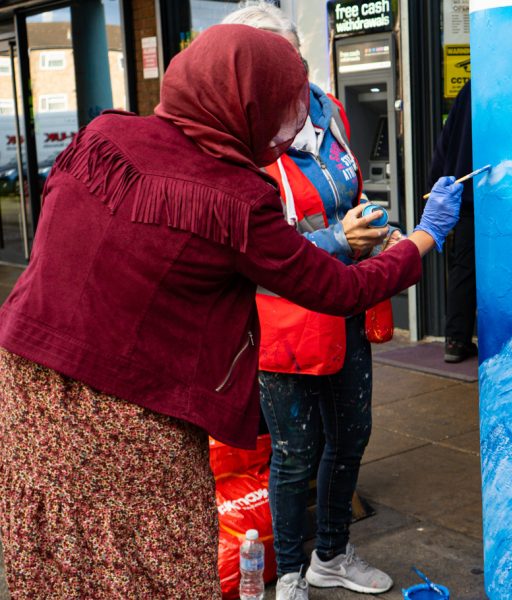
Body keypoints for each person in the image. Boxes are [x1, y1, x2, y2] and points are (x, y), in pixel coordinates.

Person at [0, 25, 461, 598]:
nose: (288, 125)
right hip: (129, 407)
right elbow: (336, 291)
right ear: (249, 105)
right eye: (281, 107)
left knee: (55, 546)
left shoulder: (104, 133)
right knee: (150, 559)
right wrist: (424, 237)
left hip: (27, 380)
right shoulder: (232, 198)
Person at [221, 4, 400, 598]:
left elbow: (349, 185)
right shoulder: (238, 140)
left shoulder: (328, 109)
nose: (291, 73)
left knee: (351, 435)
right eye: (274, 63)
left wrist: (375, 226)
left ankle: (332, 553)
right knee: (296, 452)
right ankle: (291, 572)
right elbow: (247, 251)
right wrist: (334, 240)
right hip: (284, 319)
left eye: (293, 58)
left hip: (343, 302)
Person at [429, 81, 478, 363]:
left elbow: (443, 145)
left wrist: (437, 187)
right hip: (499, 197)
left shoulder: (468, 90)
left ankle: (456, 340)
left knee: (464, 268)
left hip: (464, 193)